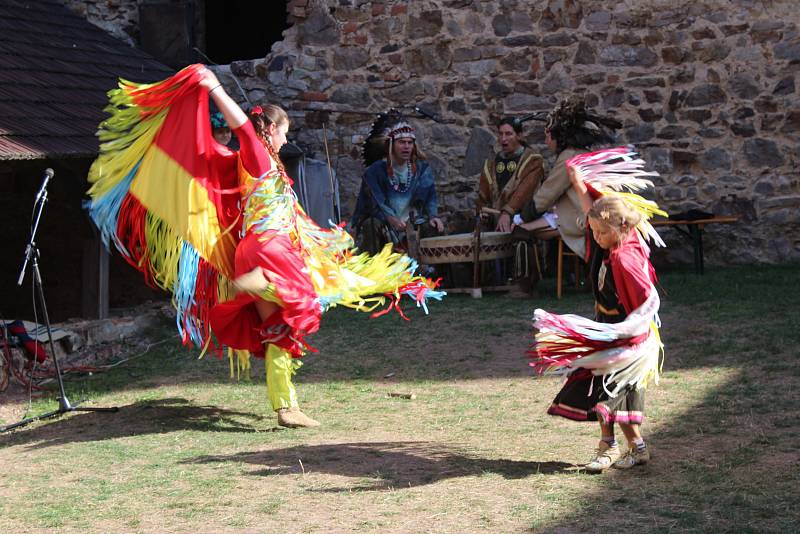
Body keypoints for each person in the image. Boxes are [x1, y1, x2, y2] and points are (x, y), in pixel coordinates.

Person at [85, 65, 444, 429]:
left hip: (253, 252)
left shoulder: (262, 166)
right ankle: (261, 284)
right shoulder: (256, 156)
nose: (287, 141)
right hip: (269, 251)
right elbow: (242, 127)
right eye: (284, 133)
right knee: (301, 301)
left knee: (280, 329)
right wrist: (214, 87)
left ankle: (286, 407)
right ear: (271, 130)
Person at [528, 146, 666, 473]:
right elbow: (595, 211)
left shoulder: (626, 258)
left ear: (620, 229)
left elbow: (648, 302)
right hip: (605, 330)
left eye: (602, 232)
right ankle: (624, 447)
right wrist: (577, 183)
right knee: (598, 387)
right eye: (594, 230)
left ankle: (615, 448)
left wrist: (626, 337)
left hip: (626, 338)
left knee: (610, 394)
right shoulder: (609, 241)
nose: (596, 236)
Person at [518, 97, 621, 259]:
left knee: (523, 229)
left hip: (584, 219)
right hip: (594, 214)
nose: (546, 141)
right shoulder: (582, 153)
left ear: (557, 136)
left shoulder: (569, 156)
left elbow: (546, 195)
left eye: (547, 136)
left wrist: (522, 216)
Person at [350, 115, 444, 253]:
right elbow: (375, 202)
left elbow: (430, 197)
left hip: (414, 222)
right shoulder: (376, 171)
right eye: (401, 142)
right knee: (370, 225)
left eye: (410, 142)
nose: (406, 147)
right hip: (384, 223)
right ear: (391, 145)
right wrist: (390, 218)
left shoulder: (421, 169)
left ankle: (432, 272)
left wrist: (433, 216)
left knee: (435, 228)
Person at [477, 117, 545, 233]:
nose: (503, 139)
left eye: (508, 134)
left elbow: (524, 191)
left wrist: (507, 212)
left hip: (522, 223)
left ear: (519, 135)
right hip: (496, 226)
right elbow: (483, 196)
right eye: (500, 134)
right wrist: (483, 212)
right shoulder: (491, 164)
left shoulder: (533, 161)